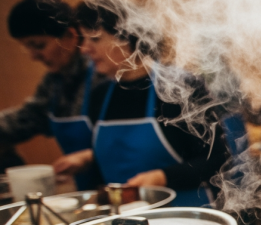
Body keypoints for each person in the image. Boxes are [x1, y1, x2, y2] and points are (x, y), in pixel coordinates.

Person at [53, 2, 230, 207]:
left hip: (185, 216)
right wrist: (88, 159)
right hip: (124, 217)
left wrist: (162, 177)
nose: (84, 49)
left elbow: (218, 159)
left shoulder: (178, 87)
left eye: (95, 39)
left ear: (126, 37)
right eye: (83, 39)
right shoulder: (99, 95)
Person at [0, 0, 105, 186]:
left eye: (39, 45)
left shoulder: (104, 74)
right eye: (27, 48)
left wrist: (88, 156)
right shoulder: (54, 83)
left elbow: (125, 140)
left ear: (71, 36)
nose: (33, 56)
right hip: (89, 191)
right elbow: (25, 120)